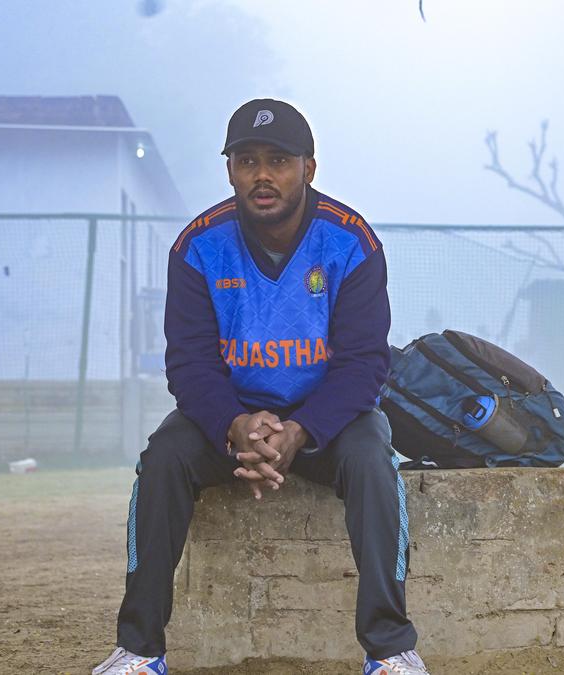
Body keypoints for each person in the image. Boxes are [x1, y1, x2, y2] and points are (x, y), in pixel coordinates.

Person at [92, 99, 429, 675]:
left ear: (309, 168)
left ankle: (389, 650)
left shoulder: (350, 241)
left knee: (375, 458)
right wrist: (235, 425)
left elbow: (363, 364)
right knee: (164, 457)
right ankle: (140, 651)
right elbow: (190, 364)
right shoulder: (199, 246)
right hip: (234, 421)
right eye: (247, 161)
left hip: (326, 422)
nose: (263, 175)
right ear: (230, 171)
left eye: (279, 160)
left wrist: (302, 429)